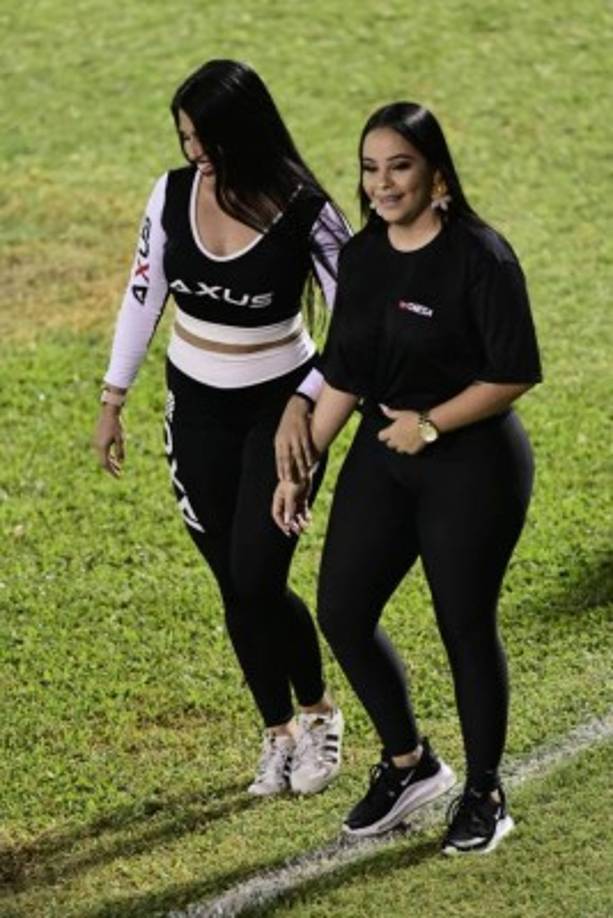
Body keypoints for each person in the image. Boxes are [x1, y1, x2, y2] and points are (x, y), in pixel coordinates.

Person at [273, 101, 542, 854]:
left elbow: (514, 372)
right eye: (369, 168)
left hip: (472, 463)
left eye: (399, 166)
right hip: (384, 452)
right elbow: (347, 369)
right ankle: (409, 763)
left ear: (437, 177)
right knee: (343, 610)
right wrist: (302, 467)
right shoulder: (361, 258)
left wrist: (429, 424)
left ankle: (485, 790)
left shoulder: (481, 256)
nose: (382, 183)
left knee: (463, 625)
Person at [93, 59, 351, 797]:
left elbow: (355, 326)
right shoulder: (172, 194)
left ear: (247, 133)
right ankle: (276, 734)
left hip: (282, 416)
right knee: (234, 585)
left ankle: (319, 713)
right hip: (195, 409)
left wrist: (307, 404)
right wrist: (114, 399)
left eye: (207, 140)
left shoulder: (307, 210)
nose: (196, 155)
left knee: (257, 574)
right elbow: (143, 293)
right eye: (185, 140)